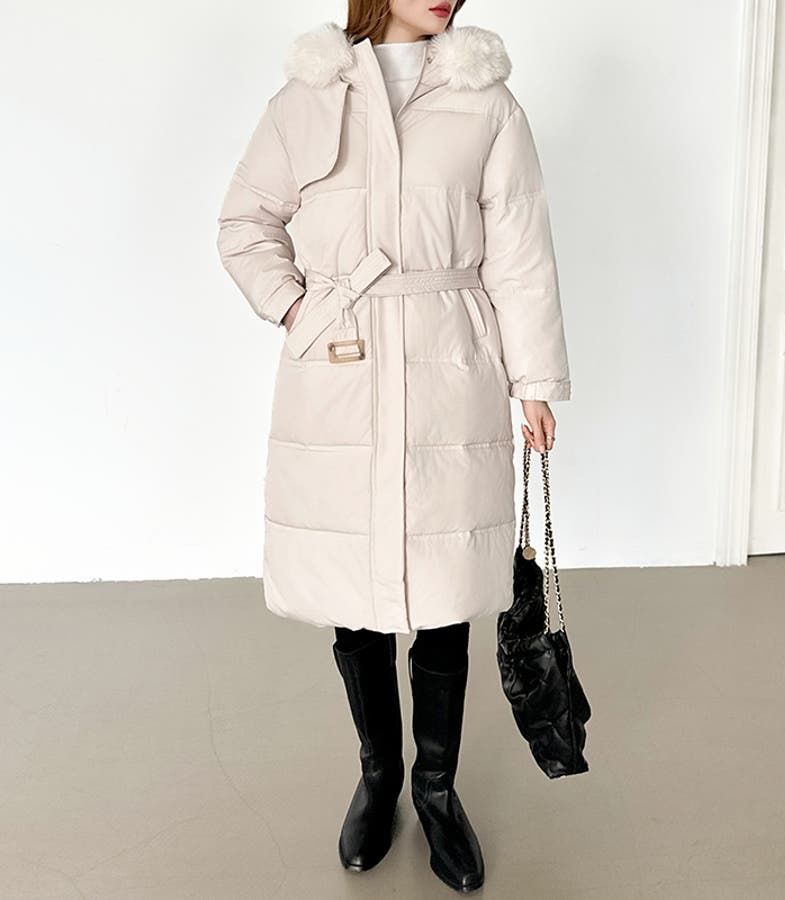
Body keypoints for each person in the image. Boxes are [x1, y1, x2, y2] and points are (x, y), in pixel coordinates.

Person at [216, 0, 571, 893]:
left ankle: (437, 791)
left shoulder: (487, 100)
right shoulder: (308, 93)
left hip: (451, 364)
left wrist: (533, 381)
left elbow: (520, 252)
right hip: (340, 367)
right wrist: (295, 307)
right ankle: (378, 778)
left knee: (448, 584)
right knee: (354, 588)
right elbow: (244, 223)